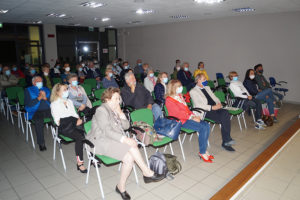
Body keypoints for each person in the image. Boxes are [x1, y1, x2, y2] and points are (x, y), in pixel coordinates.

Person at [87, 87, 164, 199]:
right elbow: (106, 131)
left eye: (119, 98)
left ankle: (121, 186)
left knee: (129, 157)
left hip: (112, 140)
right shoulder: (101, 110)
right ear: (107, 99)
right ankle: (146, 172)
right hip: (99, 141)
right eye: (116, 98)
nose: (118, 101)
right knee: (130, 145)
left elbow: (127, 126)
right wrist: (124, 139)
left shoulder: (113, 111)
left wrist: (120, 113)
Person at [165, 80, 212, 162]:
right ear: (173, 88)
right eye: (178, 86)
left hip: (187, 118)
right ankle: (202, 152)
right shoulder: (169, 99)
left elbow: (187, 109)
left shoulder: (179, 96)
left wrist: (194, 115)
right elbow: (178, 114)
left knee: (206, 125)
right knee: (203, 128)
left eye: (180, 86)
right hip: (179, 121)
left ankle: (204, 149)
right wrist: (192, 117)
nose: (181, 88)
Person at [190, 74, 235, 151]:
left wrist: (219, 103)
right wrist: (212, 107)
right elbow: (198, 105)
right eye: (204, 79)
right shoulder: (193, 91)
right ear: (198, 80)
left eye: (205, 79)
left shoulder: (207, 88)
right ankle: (226, 141)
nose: (205, 81)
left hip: (215, 107)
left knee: (226, 113)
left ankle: (226, 140)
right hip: (205, 111)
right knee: (224, 117)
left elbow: (214, 97)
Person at [50, 83, 89, 173]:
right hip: (64, 128)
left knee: (89, 132)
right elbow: (58, 121)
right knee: (80, 136)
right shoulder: (54, 104)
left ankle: (93, 157)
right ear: (57, 92)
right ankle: (80, 163)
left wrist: (78, 119)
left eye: (67, 89)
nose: (67, 91)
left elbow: (75, 115)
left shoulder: (69, 101)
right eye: (64, 90)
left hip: (74, 124)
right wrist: (74, 120)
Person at [24, 76, 51, 151]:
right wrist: (38, 98)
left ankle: (62, 134)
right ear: (33, 83)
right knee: (39, 121)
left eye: (41, 81)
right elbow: (28, 104)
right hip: (36, 111)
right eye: (38, 81)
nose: (40, 83)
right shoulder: (28, 90)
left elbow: (52, 101)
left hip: (48, 109)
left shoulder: (46, 89)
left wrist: (46, 98)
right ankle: (41, 143)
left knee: (59, 115)